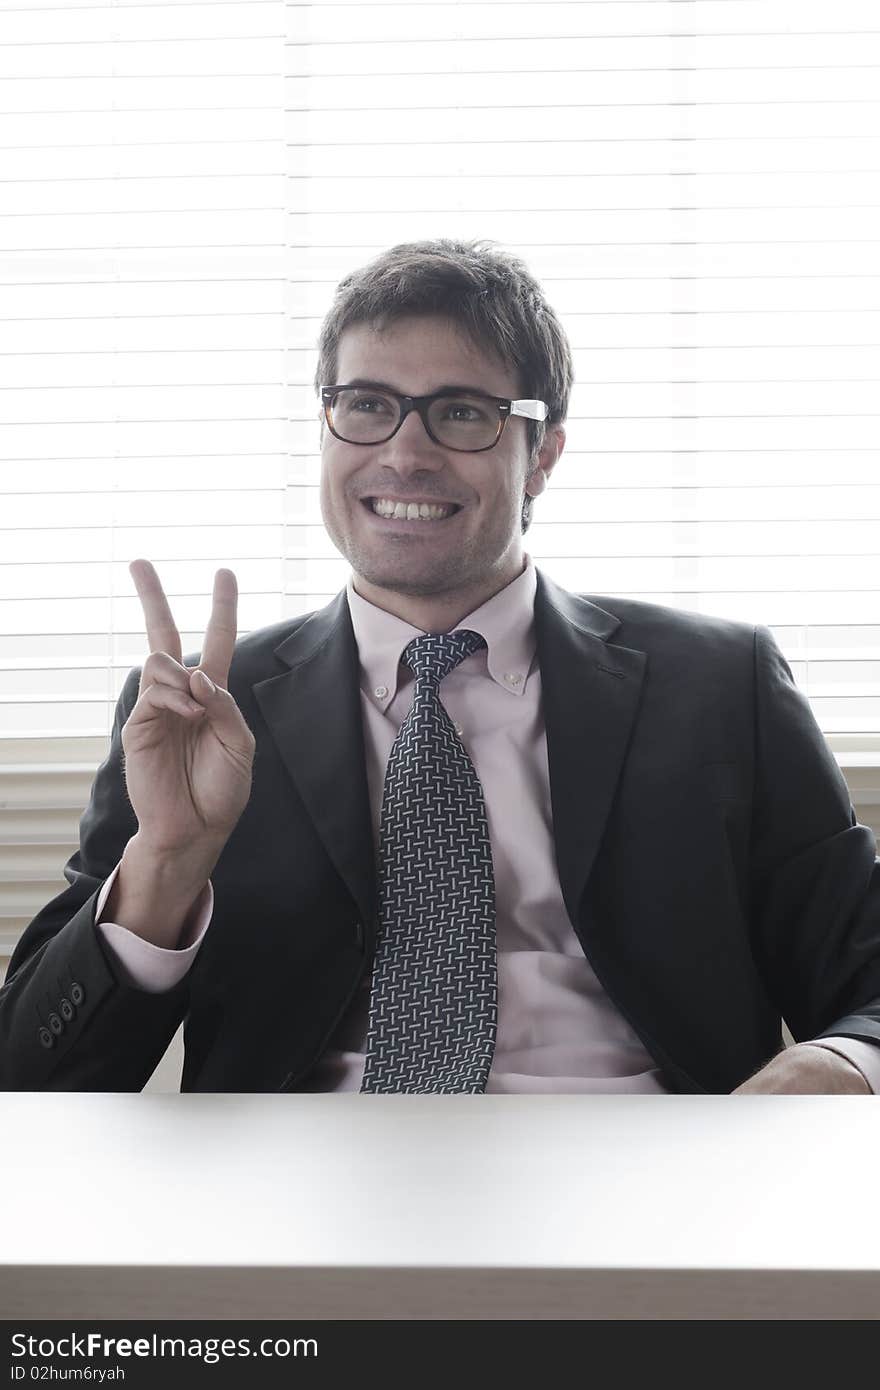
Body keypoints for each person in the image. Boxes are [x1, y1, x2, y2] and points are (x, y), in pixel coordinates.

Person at [2, 238, 879, 1095]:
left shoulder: (722, 686)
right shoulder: (197, 711)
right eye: (367, 404)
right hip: (290, 1195)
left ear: (543, 454)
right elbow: (32, 1078)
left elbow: (866, 984)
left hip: (648, 1180)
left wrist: (836, 1068)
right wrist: (166, 862)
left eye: (462, 411)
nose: (405, 453)